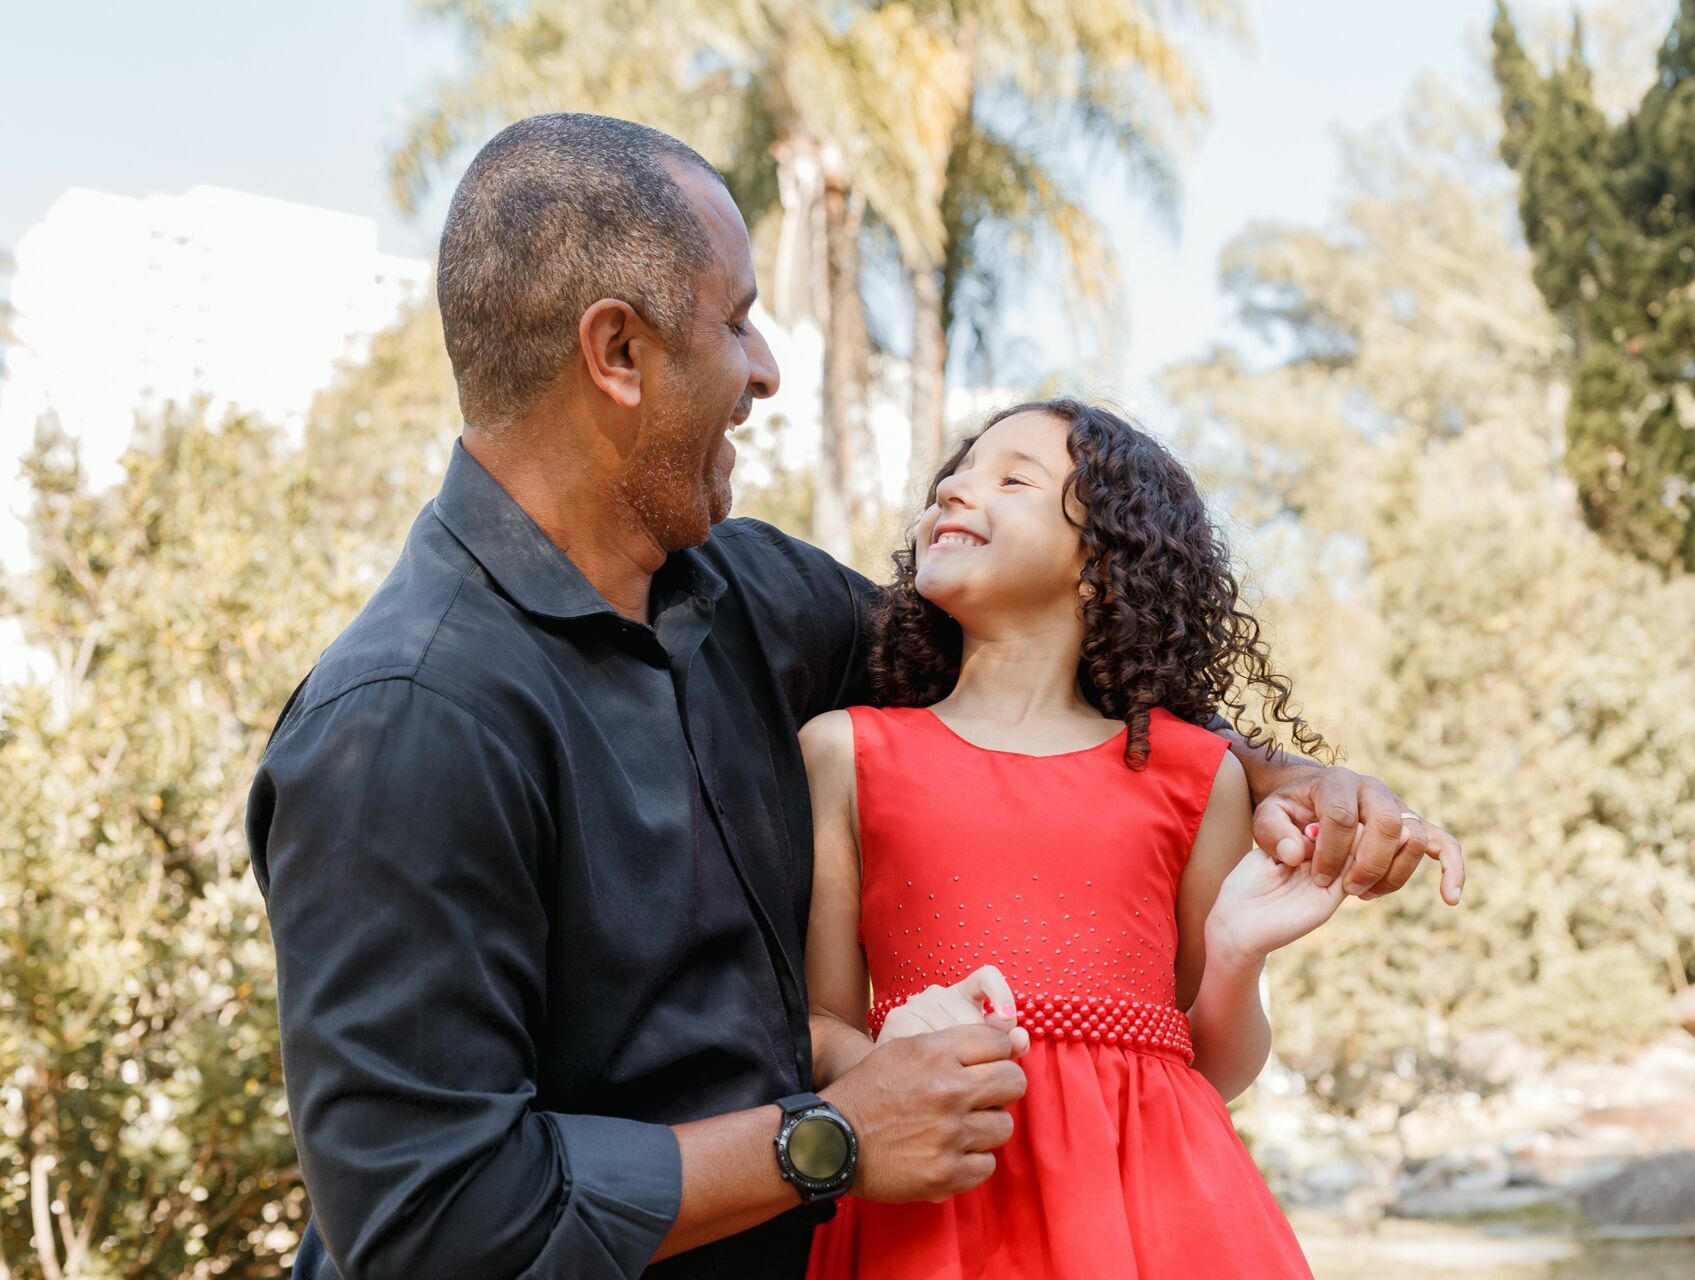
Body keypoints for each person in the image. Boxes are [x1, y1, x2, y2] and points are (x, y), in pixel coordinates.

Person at [246, 112, 1463, 1280]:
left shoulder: (754, 594)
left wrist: (1280, 772)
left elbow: (1042, 685)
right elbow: (431, 1217)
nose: (767, 370)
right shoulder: (408, 720)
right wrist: (823, 1138)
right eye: (737, 322)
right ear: (618, 353)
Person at [802, 400, 1464, 1277]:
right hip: (931, 1203)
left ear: (1101, 569)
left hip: (1159, 1214)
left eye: (1013, 479)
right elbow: (817, 1023)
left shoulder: (1196, 775)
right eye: (952, 477)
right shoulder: (846, 752)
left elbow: (1213, 1069)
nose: (954, 490)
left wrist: (1239, 953)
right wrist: (894, 1063)